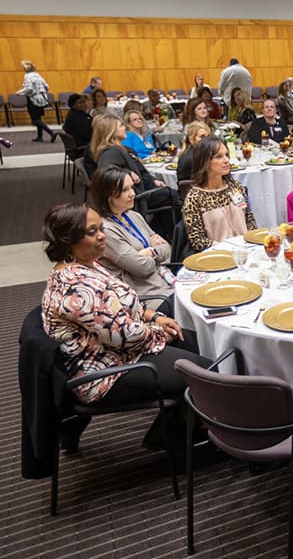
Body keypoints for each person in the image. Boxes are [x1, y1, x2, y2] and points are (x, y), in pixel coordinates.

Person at [40, 202, 209, 451]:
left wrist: (152, 316)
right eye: (91, 232)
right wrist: (158, 332)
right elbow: (126, 336)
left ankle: (178, 423)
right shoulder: (78, 287)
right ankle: (172, 437)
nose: (101, 236)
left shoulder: (88, 263)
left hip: (118, 350)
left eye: (100, 228)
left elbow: (122, 302)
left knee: (199, 343)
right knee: (204, 372)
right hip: (106, 371)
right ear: (69, 240)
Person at [91, 167, 173, 304]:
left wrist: (150, 252)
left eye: (132, 188)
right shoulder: (106, 231)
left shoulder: (133, 216)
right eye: (125, 190)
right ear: (108, 195)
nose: (132, 194)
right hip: (148, 296)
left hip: (166, 281)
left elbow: (168, 249)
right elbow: (142, 268)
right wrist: (156, 252)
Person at [92, 114, 180, 241]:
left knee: (169, 194)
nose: (124, 128)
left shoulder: (121, 148)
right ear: (111, 131)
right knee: (176, 196)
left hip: (143, 191)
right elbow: (105, 172)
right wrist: (127, 172)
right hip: (139, 196)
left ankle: (162, 232)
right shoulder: (111, 152)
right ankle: (175, 236)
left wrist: (152, 180)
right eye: (121, 126)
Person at [182, 136, 257, 251]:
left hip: (247, 250)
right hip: (219, 256)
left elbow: (249, 220)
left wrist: (252, 243)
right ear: (205, 162)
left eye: (226, 155)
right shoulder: (194, 198)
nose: (226, 160)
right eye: (219, 157)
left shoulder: (235, 188)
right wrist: (226, 248)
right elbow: (197, 241)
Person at [17, 60, 57, 143]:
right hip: (41, 99)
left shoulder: (27, 76)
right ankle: (40, 136)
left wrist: (20, 92)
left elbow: (29, 88)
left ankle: (51, 132)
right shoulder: (38, 75)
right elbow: (47, 86)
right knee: (38, 118)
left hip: (33, 99)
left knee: (35, 120)